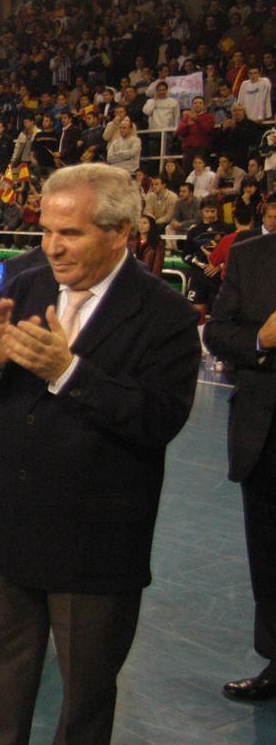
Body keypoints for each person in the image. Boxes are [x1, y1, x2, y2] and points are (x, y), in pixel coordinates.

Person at [0, 164, 201, 745]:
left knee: (84, 708)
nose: (53, 247)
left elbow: (159, 418)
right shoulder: (26, 281)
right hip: (11, 532)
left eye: (72, 234)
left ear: (121, 233)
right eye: (46, 230)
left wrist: (69, 372)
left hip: (98, 547)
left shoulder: (167, 316)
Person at [204, 200, 276, 703]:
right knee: (269, 554)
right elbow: (216, 332)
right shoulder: (251, 258)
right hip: (265, 432)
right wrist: (260, 338)